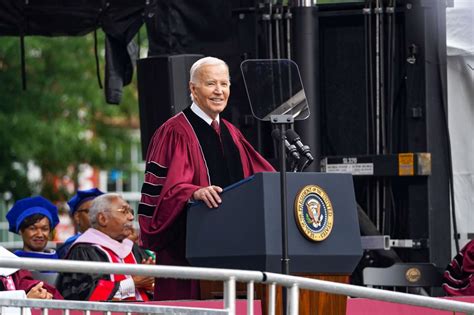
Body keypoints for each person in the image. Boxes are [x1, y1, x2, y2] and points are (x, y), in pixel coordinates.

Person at [138, 56, 275, 300]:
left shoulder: (233, 134)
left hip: (235, 250)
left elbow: (261, 177)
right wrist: (192, 192)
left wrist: (285, 186)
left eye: (225, 84)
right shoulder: (174, 132)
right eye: (211, 84)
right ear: (193, 88)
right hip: (187, 256)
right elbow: (160, 196)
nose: (219, 91)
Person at [57, 193, 154, 301]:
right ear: (102, 218)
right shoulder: (83, 251)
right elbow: (81, 295)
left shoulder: (132, 249)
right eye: (124, 211)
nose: (131, 217)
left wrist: (151, 283)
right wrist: (132, 284)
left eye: (130, 212)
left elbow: (151, 287)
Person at [57, 188, 104, 258]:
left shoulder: (111, 244)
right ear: (77, 216)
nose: (96, 216)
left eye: (99, 212)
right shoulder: (69, 248)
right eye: (90, 211)